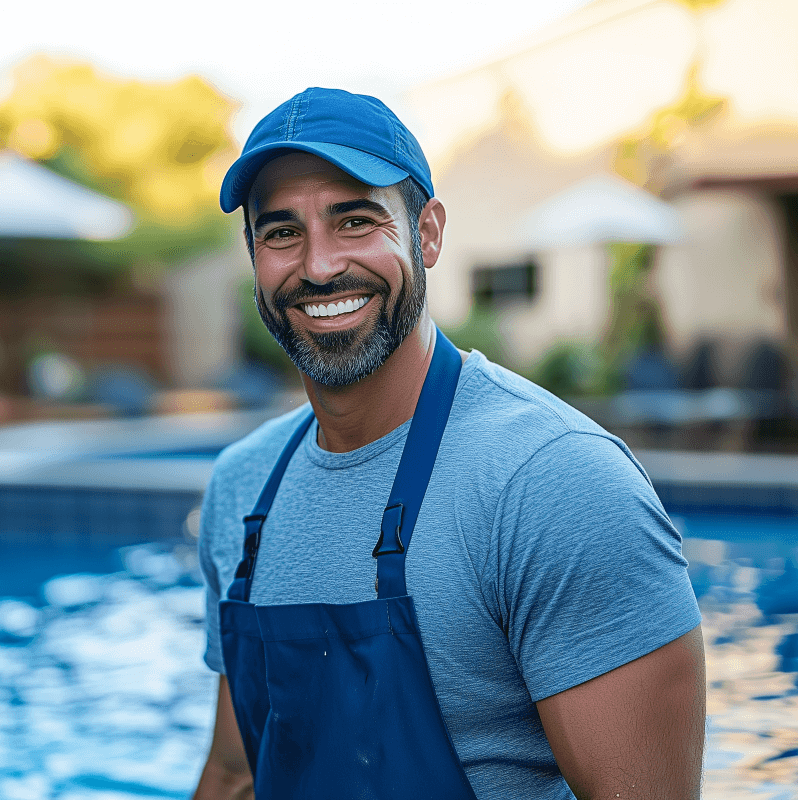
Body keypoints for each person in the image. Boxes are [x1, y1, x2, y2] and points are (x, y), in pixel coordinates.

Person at [192, 88, 705, 800]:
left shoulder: (556, 483)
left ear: (427, 233)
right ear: (254, 256)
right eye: (281, 232)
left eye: (355, 220)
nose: (319, 266)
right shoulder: (243, 488)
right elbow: (233, 774)